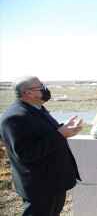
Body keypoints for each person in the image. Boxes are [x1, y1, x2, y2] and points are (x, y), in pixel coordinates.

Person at [0, 76, 82, 216]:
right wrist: (61, 134)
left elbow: (44, 134)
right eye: (41, 87)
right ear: (28, 93)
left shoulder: (37, 109)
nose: (45, 89)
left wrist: (65, 128)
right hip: (40, 187)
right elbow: (26, 153)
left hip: (53, 183)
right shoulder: (14, 117)